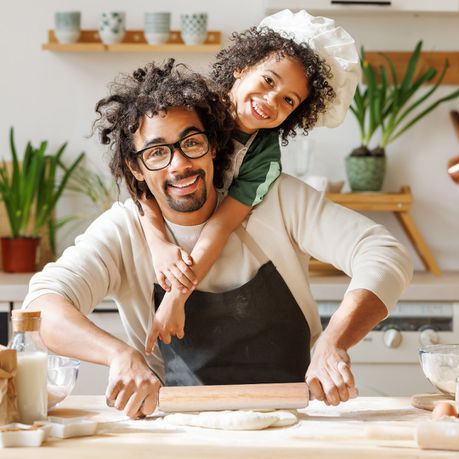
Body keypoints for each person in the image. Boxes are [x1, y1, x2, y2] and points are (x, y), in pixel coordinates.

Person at [23, 59, 412, 419]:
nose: (180, 165)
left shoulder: (277, 199)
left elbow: (384, 252)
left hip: (295, 420)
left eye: (192, 143)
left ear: (214, 146)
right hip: (177, 427)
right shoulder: (124, 229)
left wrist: (334, 341)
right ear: (135, 167)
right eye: (157, 152)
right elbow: (40, 312)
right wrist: (117, 355)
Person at [138, 10, 362, 350]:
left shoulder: (263, 157)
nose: (271, 100)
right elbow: (141, 177)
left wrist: (176, 298)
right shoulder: (189, 107)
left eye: (288, 100)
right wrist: (159, 246)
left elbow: (221, 225)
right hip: (162, 250)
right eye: (269, 80)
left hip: (209, 263)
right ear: (242, 67)